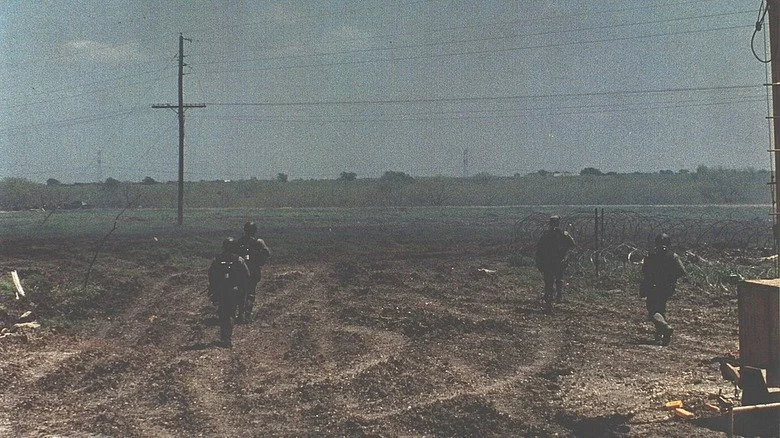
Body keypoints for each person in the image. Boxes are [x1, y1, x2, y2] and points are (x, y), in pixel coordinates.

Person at [640, 233, 686, 346]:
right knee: (660, 309)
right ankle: (661, 334)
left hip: (654, 286)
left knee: (653, 312)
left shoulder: (651, 256)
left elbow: (645, 271)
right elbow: (682, 271)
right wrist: (669, 277)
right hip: (667, 288)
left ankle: (665, 328)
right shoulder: (673, 256)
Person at [208, 237, 251, 348]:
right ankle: (227, 338)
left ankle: (224, 337)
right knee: (231, 314)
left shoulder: (217, 259)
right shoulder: (239, 259)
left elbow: (211, 274)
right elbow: (247, 275)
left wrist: (213, 288)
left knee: (222, 313)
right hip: (234, 290)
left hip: (221, 290)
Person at [535, 215, 576, 312]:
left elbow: (539, 248)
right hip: (557, 259)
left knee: (550, 279)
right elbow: (572, 244)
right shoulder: (563, 234)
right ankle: (557, 295)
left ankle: (550, 295)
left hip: (550, 259)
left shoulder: (547, 234)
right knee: (557, 278)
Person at [236, 221, 270, 323]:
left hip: (241, 270)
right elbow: (267, 253)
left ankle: (241, 315)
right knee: (251, 293)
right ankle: (248, 315)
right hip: (253, 270)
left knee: (241, 293)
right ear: (254, 231)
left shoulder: (240, 241)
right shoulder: (258, 242)